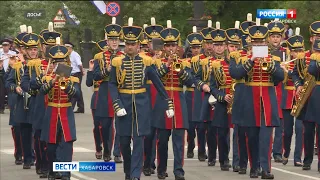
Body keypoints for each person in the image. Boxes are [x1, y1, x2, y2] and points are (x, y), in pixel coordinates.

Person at [109, 17, 174, 180]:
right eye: (128, 44)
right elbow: (112, 85)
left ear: (138, 45)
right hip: (123, 104)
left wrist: (168, 103)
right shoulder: (117, 62)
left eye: (133, 44)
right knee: (124, 142)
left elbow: (158, 83)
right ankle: (128, 170)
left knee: (139, 141)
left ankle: (135, 174)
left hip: (141, 105)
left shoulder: (146, 61)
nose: (130, 47)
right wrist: (117, 103)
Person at [229, 18, 284, 179]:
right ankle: (254, 166)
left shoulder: (274, 58)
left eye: (261, 42)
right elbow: (235, 73)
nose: (258, 45)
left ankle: (266, 169)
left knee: (266, 137)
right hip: (249, 100)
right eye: (255, 42)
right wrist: (252, 60)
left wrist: (270, 65)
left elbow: (280, 77)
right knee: (251, 137)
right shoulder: (238, 57)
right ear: (250, 42)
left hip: (267, 99)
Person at [152, 20, 193, 180]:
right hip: (163, 103)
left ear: (177, 47)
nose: (170, 49)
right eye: (167, 46)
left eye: (173, 46)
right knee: (162, 140)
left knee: (178, 141)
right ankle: (161, 169)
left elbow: (190, 82)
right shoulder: (156, 63)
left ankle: (178, 171)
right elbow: (154, 79)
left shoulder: (184, 63)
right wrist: (167, 65)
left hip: (178, 102)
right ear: (164, 47)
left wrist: (180, 70)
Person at [40, 38, 80, 180]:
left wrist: (64, 83)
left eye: (61, 61)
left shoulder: (72, 79)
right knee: (50, 146)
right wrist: (54, 80)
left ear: (66, 62)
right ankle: (52, 171)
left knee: (67, 145)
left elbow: (76, 94)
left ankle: (65, 173)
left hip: (66, 112)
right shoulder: (46, 78)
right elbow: (42, 91)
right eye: (56, 62)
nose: (59, 65)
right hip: (51, 113)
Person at [93, 17, 124, 162]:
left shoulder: (124, 56)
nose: (114, 42)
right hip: (105, 90)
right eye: (111, 39)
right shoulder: (99, 57)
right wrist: (107, 70)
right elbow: (95, 76)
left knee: (121, 123)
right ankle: (106, 148)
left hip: (120, 89)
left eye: (116, 39)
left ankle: (117, 152)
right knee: (105, 125)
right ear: (107, 41)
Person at [291, 21, 320, 171]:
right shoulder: (302, 57)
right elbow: (294, 73)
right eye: (316, 36)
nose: (318, 39)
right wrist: (298, 85)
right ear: (311, 38)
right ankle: (307, 159)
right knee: (307, 131)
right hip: (307, 99)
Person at [224, 20, 248, 173]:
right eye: (232, 46)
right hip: (228, 95)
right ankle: (234, 161)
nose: (234, 48)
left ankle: (242, 161)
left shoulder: (242, 57)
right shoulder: (226, 60)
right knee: (233, 130)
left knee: (243, 129)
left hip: (242, 95)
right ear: (227, 46)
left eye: (236, 46)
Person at [191, 20, 216, 166]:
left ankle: (213, 154)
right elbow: (194, 78)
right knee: (201, 126)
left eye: (211, 43)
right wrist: (202, 85)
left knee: (213, 126)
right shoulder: (197, 60)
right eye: (206, 43)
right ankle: (201, 151)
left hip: (214, 93)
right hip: (201, 94)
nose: (208, 46)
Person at [142, 17, 164, 176]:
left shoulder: (166, 58)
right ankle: (147, 162)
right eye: (151, 42)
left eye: (157, 42)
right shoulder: (143, 57)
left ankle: (154, 162)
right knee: (148, 133)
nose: (153, 45)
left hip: (160, 94)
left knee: (159, 132)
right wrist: (153, 60)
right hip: (147, 93)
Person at [280, 27, 304, 167]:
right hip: (288, 96)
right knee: (287, 131)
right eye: (294, 51)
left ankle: (297, 158)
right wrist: (283, 70)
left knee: (300, 129)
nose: (297, 53)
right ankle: (286, 152)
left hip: (300, 97)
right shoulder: (285, 62)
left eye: (299, 50)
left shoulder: (304, 63)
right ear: (289, 50)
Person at [185, 25, 206, 161]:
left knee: (202, 125)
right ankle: (191, 144)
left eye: (198, 47)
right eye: (194, 47)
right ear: (190, 48)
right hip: (190, 95)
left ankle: (202, 151)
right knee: (191, 125)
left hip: (201, 94)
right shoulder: (186, 62)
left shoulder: (205, 61)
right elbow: (186, 78)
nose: (196, 49)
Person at [267, 20, 286, 163]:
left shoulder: (287, 52)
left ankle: (277, 151)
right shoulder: (264, 52)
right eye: (273, 36)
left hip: (281, 90)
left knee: (280, 123)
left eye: (278, 36)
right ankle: (267, 149)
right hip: (268, 88)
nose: (275, 39)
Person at [65, 41, 84, 113]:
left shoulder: (75, 55)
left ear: (70, 48)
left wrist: (82, 72)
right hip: (70, 74)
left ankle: (71, 107)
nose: (66, 50)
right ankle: (81, 107)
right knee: (78, 91)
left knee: (74, 90)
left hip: (76, 74)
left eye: (67, 48)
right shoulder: (67, 55)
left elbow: (80, 64)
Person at [0, 39, 17, 114]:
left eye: (6, 45)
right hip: (1, 73)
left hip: (10, 73)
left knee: (10, 91)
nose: (5, 47)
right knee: (1, 91)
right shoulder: (0, 53)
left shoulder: (13, 53)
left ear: (9, 46)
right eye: (4, 45)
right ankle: (1, 108)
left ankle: (11, 106)